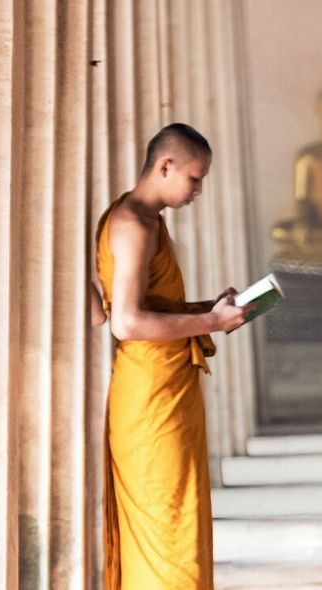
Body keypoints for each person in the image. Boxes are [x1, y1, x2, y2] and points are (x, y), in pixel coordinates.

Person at [95, 123, 248, 588]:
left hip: (164, 388)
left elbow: (151, 307)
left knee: (179, 520)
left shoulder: (146, 219)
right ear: (165, 166)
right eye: (194, 178)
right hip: (148, 397)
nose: (198, 190)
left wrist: (210, 309)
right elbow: (126, 322)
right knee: (165, 526)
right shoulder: (132, 224)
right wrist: (210, 324)